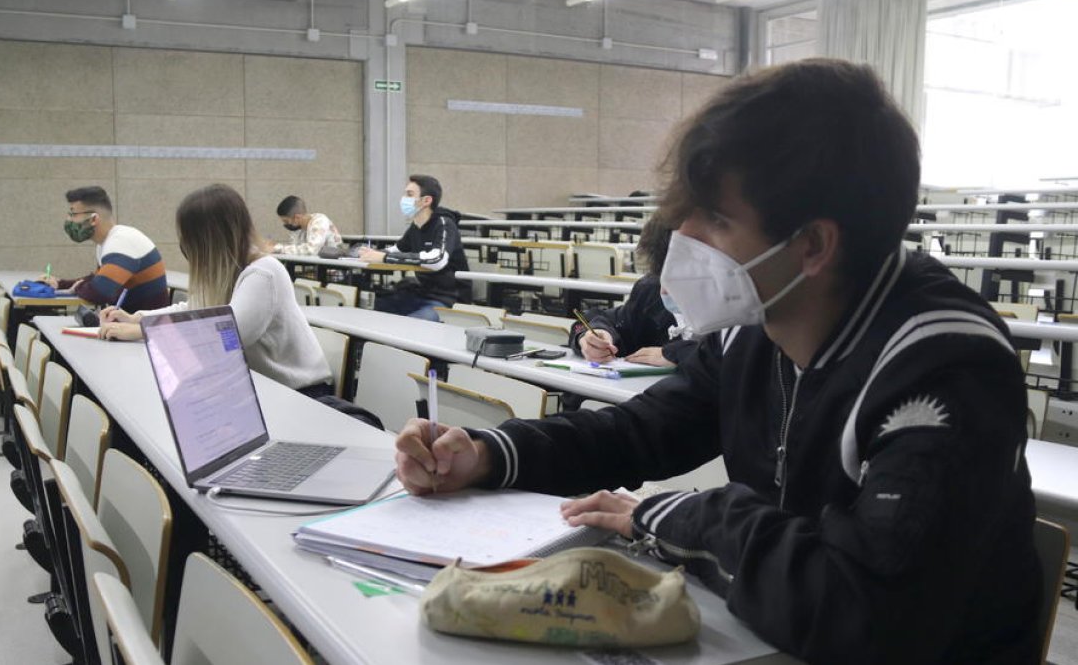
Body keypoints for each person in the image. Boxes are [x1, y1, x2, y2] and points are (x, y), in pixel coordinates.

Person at [392, 60, 1039, 663]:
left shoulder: (945, 366)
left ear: (812, 244)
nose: (685, 240)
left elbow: (863, 611)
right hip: (772, 638)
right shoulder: (757, 323)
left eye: (716, 219)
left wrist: (692, 515)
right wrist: (485, 453)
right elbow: (640, 429)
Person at [98, 184, 334, 397]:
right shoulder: (223, 272)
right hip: (260, 390)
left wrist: (145, 331)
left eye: (187, 237)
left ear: (207, 239)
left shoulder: (264, 272)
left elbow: (227, 335)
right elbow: (193, 308)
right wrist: (137, 318)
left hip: (301, 394)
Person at [570, 217, 696, 367]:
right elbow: (583, 323)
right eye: (663, 276)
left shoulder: (729, 317)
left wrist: (681, 356)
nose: (665, 290)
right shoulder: (650, 291)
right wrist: (590, 335)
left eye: (677, 278)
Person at [357, 175, 469, 321]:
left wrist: (384, 257)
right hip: (421, 293)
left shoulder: (444, 223)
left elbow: (437, 260)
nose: (404, 199)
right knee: (375, 311)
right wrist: (371, 254)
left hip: (448, 300)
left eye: (409, 195)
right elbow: (397, 250)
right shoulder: (416, 226)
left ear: (426, 200)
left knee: (411, 327)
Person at [42, 186, 169, 312]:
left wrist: (77, 288)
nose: (69, 220)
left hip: (147, 329)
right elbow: (96, 280)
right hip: (130, 324)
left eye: (73, 214)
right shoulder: (106, 242)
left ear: (93, 219)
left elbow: (99, 293)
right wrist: (59, 284)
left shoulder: (121, 242)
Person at [271, 195, 344, 256]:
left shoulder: (320, 221)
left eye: (286, 221)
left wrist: (278, 248)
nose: (285, 224)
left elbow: (311, 250)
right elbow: (294, 249)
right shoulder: (297, 229)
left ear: (297, 218)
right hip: (311, 269)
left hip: (331, 270)